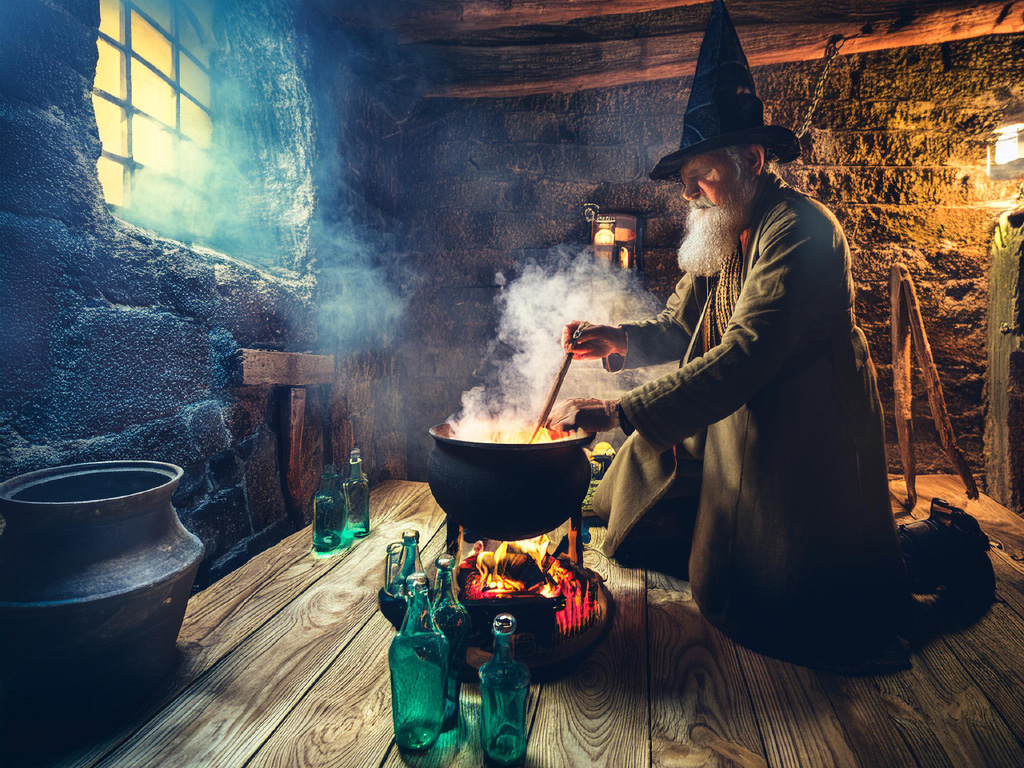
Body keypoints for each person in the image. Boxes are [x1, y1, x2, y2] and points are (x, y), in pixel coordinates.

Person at [547, 0, 909, 665]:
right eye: (686, 185)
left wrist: (618, 411)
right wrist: (615, 340)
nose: (691, 197)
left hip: (806, 437)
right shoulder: (723, 231)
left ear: (749, 158)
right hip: (736, 431)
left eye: (699, 179)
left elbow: (743, 357)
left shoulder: (801, 231)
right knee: (706, 562)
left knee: (798, 583)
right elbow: (678, 327)